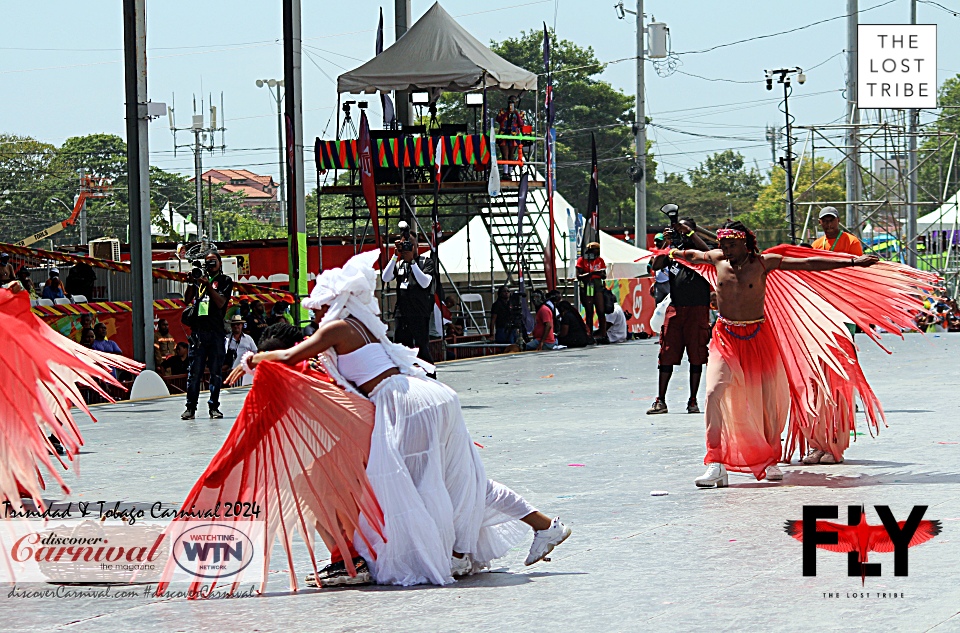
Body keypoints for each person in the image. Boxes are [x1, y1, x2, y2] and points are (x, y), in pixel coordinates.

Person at [226, 251, 571, 587]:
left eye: (318, 307)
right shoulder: (364, 326)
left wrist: (252, 360)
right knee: (460, 478)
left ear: (336, 302)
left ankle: (452, 554)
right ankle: (535, 526)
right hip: (431, 396)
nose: (315, 316)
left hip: (405, 405)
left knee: (408, 483)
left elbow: (288, 355)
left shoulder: (337, 329)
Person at [667, 220, 895, 487]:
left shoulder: (764, 263)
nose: (725, 248)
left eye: (730, 244)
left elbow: (809, 263)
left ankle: (769, 460)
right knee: (713, 392)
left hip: (757, 338)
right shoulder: (718, 259)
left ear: (744, 241)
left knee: (766, 403)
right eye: (722, 244)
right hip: (725, 337)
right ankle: (715, 463)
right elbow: (693, 255)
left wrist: (853, 263)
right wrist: (672, 249)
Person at [804, 206, 866, 465]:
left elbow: (856, 275)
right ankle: (818, 443)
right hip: (820, 310)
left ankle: (836, 444)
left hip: (842, 309)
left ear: (838, 221)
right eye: (824, 221)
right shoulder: (817, 244)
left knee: (838, 377)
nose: (828, 224)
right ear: (819, 223)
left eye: (832, 220)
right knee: (817, 381)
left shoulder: (851, 242)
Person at [647, 218, 713, 415]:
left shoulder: (703, 250)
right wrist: (667, 245)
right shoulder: (674, 252)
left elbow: (709, 255)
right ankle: (661, 400)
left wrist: (690, 233)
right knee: (666, 354)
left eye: (684, 230)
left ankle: (693, 400)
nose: (681, 234)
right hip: (675, 309)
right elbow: (656, 265)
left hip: (698, 310)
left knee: (697, 356)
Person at [181, 250, 233, 420]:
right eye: (207, 262)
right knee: (194, 372)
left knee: (215, 373)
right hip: (198, 333)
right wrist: (191, 283)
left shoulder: (225, 281)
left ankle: (214, 407)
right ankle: (190, 408)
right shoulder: (198, 280)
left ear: (219, 263)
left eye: (213, 262)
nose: (210, 265)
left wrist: (208, 285)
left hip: (216, 332)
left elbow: (220, 303)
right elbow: (186, 301)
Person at [381, 229, 436, 371]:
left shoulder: (426, 261)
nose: (407, 247)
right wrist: (394, 257)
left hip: (419, 312)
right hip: (402, 312)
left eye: (410, 244)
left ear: (416, 244)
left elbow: (425, 283)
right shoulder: (400, 264)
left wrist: (412, 261)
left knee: (421, 347)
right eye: (404, 244)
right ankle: (404, 375)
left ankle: (430, 375)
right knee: (400, 348)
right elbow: (385, 277)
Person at [576, 242, 607, 343]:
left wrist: (601, 274)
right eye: (595, 250)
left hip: (597, 285)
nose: (597, 252)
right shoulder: (582, 260)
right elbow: (578, 276)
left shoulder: (600, 260)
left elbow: (604, 275)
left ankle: (603, 334)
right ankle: (589, 335)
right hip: (587, 285)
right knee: (589, 312)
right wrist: (592, 273)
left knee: (601, 311)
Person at [495, 95, 525, 176]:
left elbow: (521, 124)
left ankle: (510, 173)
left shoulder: (520, 112)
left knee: (511, 155)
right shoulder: (502, 110)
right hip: (503, 134)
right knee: (505, 155)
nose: (511, 103)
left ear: (516, 103)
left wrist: (516, 113)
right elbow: (498, 119)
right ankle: (505, 173)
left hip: (514, 135)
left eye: (513, 102)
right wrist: (507, 113)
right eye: (510, 102)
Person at [225, 314, 257, 386]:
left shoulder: (248, 338)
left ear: (242, 325)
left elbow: (255, 353)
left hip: (246, 372)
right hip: (230, 370)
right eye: (234, 325)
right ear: (231, 326)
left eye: (238, 324)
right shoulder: (227, 339)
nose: (236, 326)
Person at [649, 234, 671, 303]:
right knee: (658, 304)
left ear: (664, 241)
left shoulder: (668, 251)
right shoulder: (654, 252)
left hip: (668, 282)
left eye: (659, 241)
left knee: (670, 303)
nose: (656, 243)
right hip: (658, 283)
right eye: (655, 241)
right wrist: (649, 265)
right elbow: (651, 262)